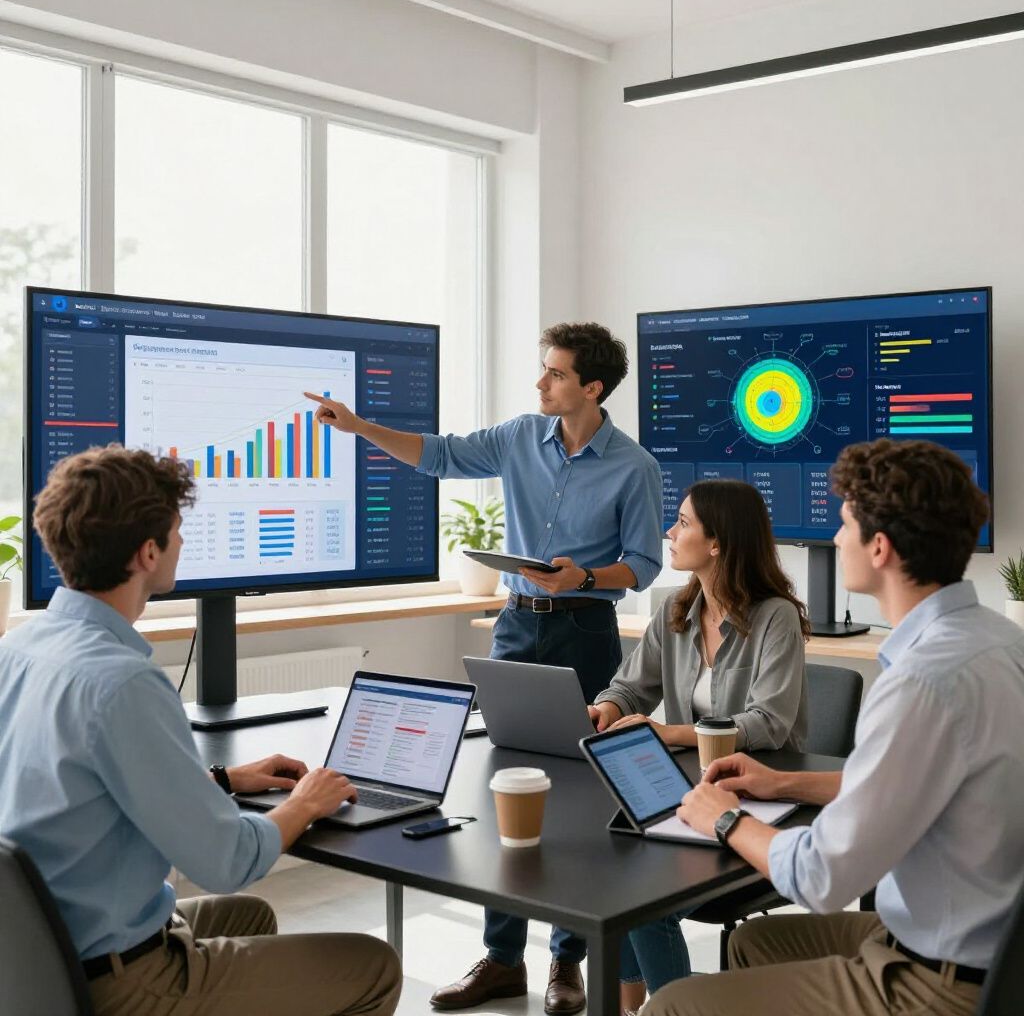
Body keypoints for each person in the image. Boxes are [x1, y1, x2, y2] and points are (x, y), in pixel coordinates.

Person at [307, 321, 663, 1014]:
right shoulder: (516, 437)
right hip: (516, 626)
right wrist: (357, 426)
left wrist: (584, 577)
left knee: (579, 800)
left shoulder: (635, 466)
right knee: (504, 787)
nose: (540, 384)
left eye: (555, 374)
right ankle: (502, 959)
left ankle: (567, 962)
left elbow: (645, 564)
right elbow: (438, 456)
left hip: (586, 630)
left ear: (591, 387)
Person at [0, 445, 402, 1016]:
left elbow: (76, 791)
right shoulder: (122, 683)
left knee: (250, 917)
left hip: (39, 950)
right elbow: (227, 861)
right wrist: (304, 804)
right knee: (373, 967)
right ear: (147, 553)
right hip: (116, 980)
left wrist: (222, 779)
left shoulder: (18, 648)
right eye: (178, 531)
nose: (183, 544)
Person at [642, 438, 1024, 1016]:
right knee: (750, 943)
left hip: (940, 981)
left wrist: (723, 818)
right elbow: (917, 785)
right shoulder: (1001, 644)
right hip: (984, 948)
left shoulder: (921, 681)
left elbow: (823, 877)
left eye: (844, 524)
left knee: (672, 1005)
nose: (835, 537)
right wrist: (785, 784)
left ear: (879, 547)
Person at [589, 479, 810, 1014]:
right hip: (692, 793)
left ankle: (677, 1009)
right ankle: (631, 1006)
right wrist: (607, 710)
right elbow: (629, 685)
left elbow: (768, 724)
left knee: (644, 897)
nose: (670, 530)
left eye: (683, 522)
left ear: (717, 543)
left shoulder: (775, 616)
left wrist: (671, 733)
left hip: (760, 799)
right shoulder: (674, 611)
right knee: (613, 866)